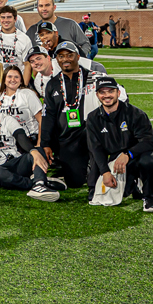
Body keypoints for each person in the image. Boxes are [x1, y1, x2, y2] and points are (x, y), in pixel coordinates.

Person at [85, 77, 153, 212]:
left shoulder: (135, 114)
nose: (106, 95)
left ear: (118, 93)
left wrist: (128, 154)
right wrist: (105, 173)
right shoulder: (92, 118)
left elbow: (149, 141)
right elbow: (95, 148)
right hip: (114, 160)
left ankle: (150, 198)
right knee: (119, 193)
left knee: (150, 160)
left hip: (135, 155)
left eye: (110, 91)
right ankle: (133, 185)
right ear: (97, 95)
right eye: (102, 92)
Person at [0, 89, 61, 202]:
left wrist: (33, 151)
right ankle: (38, 183)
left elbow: (20, 136)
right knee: (0, 175)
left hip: (16, 162)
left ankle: (39, 184)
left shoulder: (8, 119)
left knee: (38, 151)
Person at [39, 41, 103, 192]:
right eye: (61, 56)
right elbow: (48, 115)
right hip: (68, 137)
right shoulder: (53, 84)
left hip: (93, 132)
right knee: (74, 182)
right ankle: (85, 166)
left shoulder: (93, 78)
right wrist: (46, 143)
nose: (65, 59)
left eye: (69, 55)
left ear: (78, 57)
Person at [25, 0, 91, 57]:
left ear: (54, 7)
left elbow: (85, 43)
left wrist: (78, 59)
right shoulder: (32, 30)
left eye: (47, 5)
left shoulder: (70, 24)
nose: (44, 9)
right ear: (37, 9)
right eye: (41, 6)